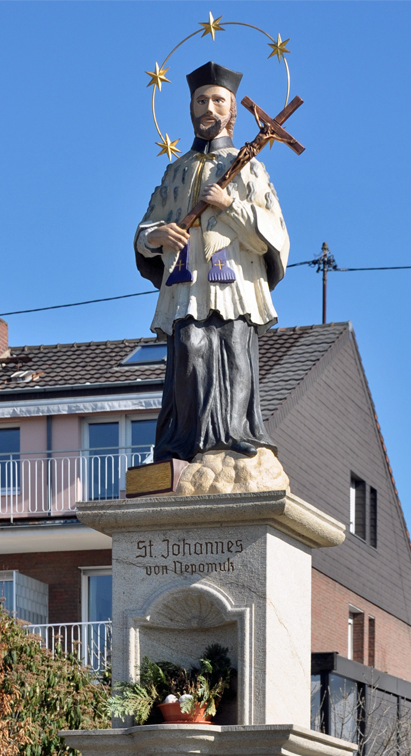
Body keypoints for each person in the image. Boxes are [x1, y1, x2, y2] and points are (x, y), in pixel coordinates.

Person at [134, 61, 290, 463]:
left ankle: (235, 433)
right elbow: (147, 225)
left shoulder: (250, 167)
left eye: (218, 100)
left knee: (234, 348)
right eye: (201, 100)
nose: (209, 107)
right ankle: (185, 443)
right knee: (190, 349)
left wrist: (231, 205)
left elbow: (275, 235)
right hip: (188, 284)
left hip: (233, 280)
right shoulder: (177, 170)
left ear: (232, 109)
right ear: (190, 108)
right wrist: (155, 236)